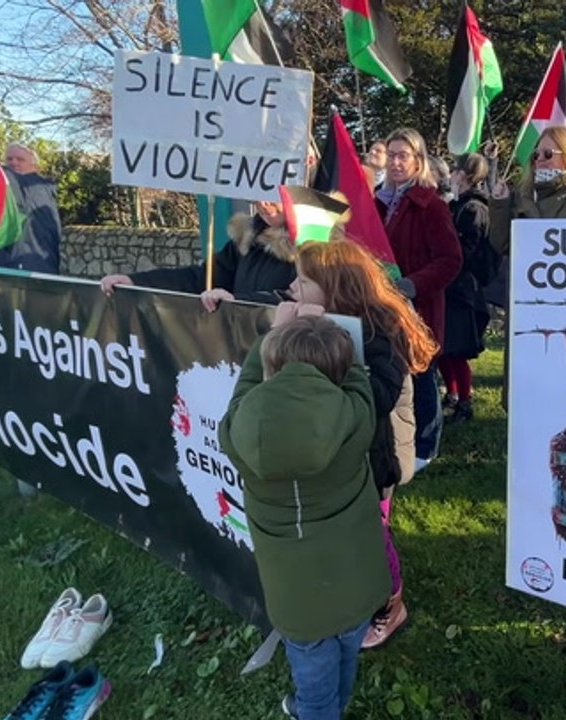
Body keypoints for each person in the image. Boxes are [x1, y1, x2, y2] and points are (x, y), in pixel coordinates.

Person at [218, 314, 387, 720]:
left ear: (270, 369)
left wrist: (268, 340)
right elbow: (359, 383)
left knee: (314, 686)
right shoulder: (356, 421)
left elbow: (243, 388)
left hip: (297, 604)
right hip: (356, 587)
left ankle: (318, 710)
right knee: (346, 657)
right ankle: (335, 705)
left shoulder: (240, 432)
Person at [292, 240, 437, 649]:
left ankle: (391, 608)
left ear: (333, 285)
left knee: (374, 536)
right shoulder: (324, 314)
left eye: (302, 280)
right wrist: (223, 297)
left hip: (377, 461)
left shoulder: (379, 329)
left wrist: (319, 343)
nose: (292, 287)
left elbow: (375, 396)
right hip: (344, 457)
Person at [489, 126, 566, 410]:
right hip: (526, 306)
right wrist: (500, 206)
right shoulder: (523, 197)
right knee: (524, 391)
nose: (540, 159)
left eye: (548, 153)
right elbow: (500, 245)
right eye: (536, 154)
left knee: (564, 386)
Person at [374, 128, 463, 469]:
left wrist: (412, 284)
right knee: (389, 371)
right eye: (391, 154)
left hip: (418, 309)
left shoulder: (431, 206)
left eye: (403, 155)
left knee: (422, 376)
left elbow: (450, 260)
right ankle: (393, 437)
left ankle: (426, 446)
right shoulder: (375, 204)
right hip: (380, 307)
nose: (395, 162)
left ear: (418, 161)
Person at [98, 199, 296, 311]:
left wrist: (238, 301)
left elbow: (304, 298)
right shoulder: (247, 240)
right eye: (257, 192)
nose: (263, 203)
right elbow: (201, 278)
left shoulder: (319, 244)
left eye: (274, 191)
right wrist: (136, 282)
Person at [441, 153, 494, 422]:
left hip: (463, 287)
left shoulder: (473, 208)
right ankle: (450, 394)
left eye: (455, 170)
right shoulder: (458, 205)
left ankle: (465, 401)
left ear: (463, 174)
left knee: (457, 347)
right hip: (451, 285)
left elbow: (468, 250)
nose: (451, 174)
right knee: (443, 345)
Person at [0, 143, 63, 274]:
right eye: (9, 159)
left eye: (20, 159)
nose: (13, 163)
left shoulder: (33, 188)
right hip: (16, 263)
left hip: (28, 266)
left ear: (35, 166)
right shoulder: (29, 189)